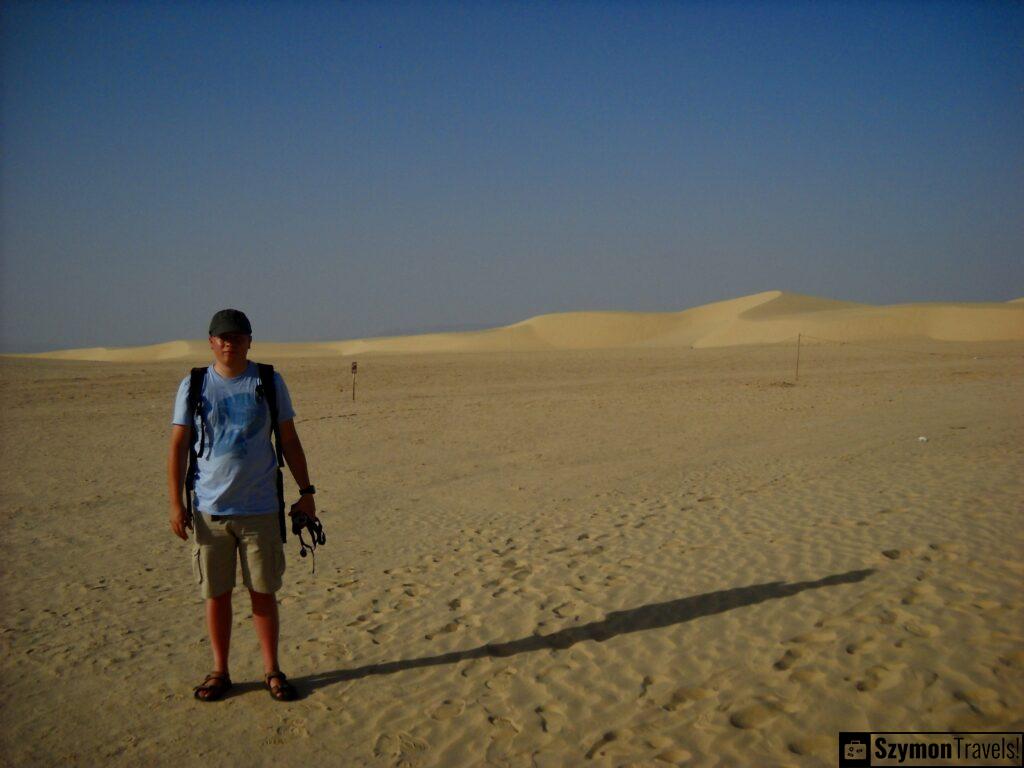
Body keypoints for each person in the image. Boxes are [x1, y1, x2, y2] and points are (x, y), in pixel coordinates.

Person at [167, 309, 317, 702]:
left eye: (237, 336)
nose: (229, 342)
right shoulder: (195, 383)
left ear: (250, 340)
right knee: (216, 594)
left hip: (260, 508)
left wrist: (307, 490)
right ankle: (220, 671)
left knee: (263, 591)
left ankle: (272, 670)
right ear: (211, 342)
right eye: (222, 337)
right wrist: (174, 504)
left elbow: (288, 438)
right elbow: (178, 445)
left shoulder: (268, 379)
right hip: (209, 509)